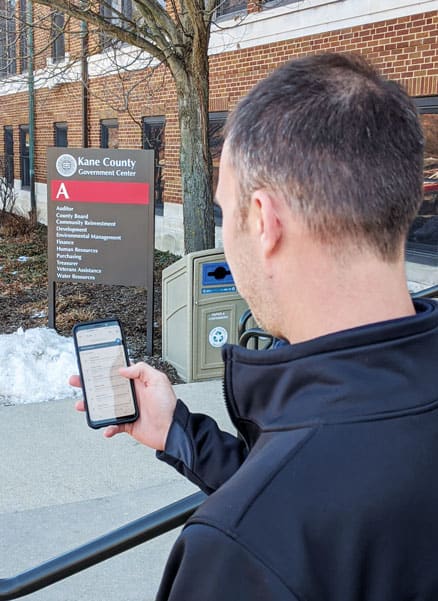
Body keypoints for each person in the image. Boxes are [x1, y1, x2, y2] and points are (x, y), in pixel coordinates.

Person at [72, 52, 438, 599]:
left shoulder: (236, 550)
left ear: (264, 222)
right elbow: (330, 486)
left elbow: (300, 506)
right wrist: (178, 435)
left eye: (225, 213)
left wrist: (245, 521)